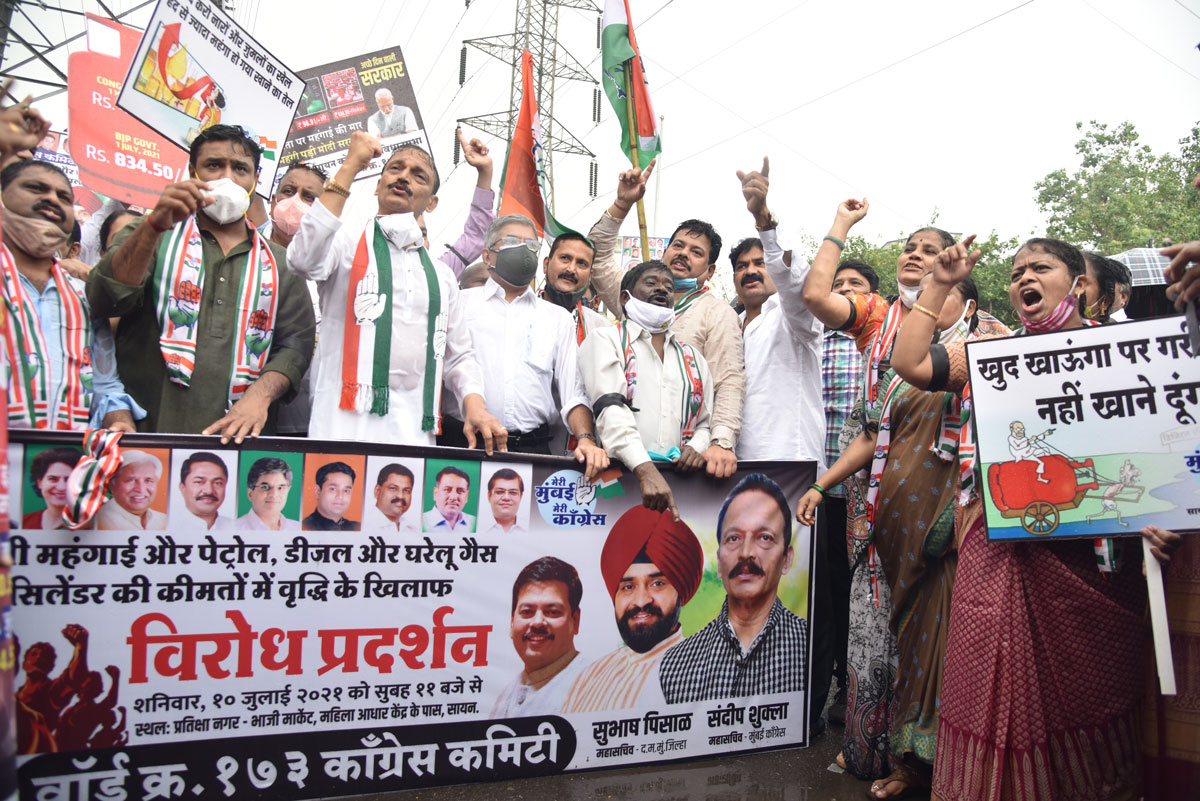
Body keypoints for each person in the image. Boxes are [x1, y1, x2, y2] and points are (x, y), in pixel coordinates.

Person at [889, 235, 1148, 801]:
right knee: (987, 678)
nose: (1024, 278)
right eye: (1016, 272)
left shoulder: (1122, 352)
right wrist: (940, 282)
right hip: (999, 550)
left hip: (1095, 560)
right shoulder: (992, 355)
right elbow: (907, 362)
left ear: (1078, 284)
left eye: (1040, 268)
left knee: (1089, 693)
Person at [87, 124, 316, 441]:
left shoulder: (280, 263)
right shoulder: (152, 234)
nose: (227, 178)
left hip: (242, 440)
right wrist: (153, 226)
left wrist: (259, 397)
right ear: (192, 172)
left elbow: (295, 346)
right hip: (147, 434)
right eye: (214, 165)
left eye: (240, 169)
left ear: (255, 179)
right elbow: (104, 300)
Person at [285, 130, 505, 452]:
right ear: (378, 185)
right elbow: (302, 258)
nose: (404, 177)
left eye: (418, 175)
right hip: (341, 426)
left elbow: (459, 354)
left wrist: (476, 406)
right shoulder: (345, 244)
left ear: (431, 203)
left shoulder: (442, 276)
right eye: (395, 168)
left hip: (413, 433)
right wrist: (350, 165)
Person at [588, 163, 744, 479]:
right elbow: (597, 257)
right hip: (620, 458)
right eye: (678, 246)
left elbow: (728, 381)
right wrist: (622, 204)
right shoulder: (636, 297)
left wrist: (720, 442)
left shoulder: (717, 313)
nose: (683, 254)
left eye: (696, 252)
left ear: (710, 271)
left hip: (683, 461)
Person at [443, 214, 607, 476]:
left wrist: (586, 438)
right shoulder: (459, 304)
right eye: (512, 241)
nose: (523, 250)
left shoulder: (557, 319)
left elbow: (573, 392)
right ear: (487, 256)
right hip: (464, 445)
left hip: (533, 451)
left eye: (531, 244)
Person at [1, 160, 142, 432]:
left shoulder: (84, 298)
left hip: (65, 454)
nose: (53, 200)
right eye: (35, 188)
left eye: (64, 197)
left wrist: (120, 420)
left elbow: (104, 385)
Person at [578, 261, 713, 520]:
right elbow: (610, 409)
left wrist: (696, 447)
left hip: (680, 488)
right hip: (617, 484)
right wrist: (646, 470)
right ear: (625, 297)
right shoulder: (605, 340)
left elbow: (705, 424)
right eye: (651, 283)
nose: (661, 290)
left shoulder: (694, 359)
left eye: (668, 287)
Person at [659, 474, 808, 703]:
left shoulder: (807, 647)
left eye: (765, 537)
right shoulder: (676, 665)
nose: (746, 553)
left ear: (787, 559)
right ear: (719, 562)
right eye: (734, 538)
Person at [562, 506, 703, 713]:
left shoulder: (704, 675)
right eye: (628, 587)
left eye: (657, 584)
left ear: (680, 590)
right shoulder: (588, 679)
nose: (641, 601)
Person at [731, 158, 824, 464]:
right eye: (742, 266)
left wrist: (763, 219)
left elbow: (794, 281)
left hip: (789, 462)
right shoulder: (731, 324)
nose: (750, 271)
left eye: (760, 263)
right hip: (731, 462)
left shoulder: (795, 316)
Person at [818, 259, 877, 726]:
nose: (844, 290)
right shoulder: (813, 338)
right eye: (837, 284)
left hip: (866, 488)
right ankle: (833, 681)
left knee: (860, 593)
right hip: (817, 487)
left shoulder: (881, 341)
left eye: (855, 284)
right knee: (828, 591)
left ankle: (856, 688)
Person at [492, 556, 589, 717]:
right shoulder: (505, 696)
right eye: (527, 612)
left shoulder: (595, 687)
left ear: (575, 620)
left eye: (552, 612)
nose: (537, 622)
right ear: (512, 621)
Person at [539, 231, 610, 342]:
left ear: (590, 276)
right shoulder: (516, 315)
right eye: (565, 258)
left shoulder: (602, 331)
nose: (571, 269)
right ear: (546, 264)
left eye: (582, 263)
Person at [96, 450, 165, 531]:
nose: (141, 489)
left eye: (148, 481)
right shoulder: (98, 520)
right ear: (112, 484)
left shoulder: (164, 520)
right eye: (131, 480)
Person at [23, 447, 82, 530]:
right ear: (40, 483)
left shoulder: (93, 526)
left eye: (69, 479)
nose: (61, 487)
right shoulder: (23, 522)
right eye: (53, 479)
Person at [237, 456, 298, 531]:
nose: (274, 494)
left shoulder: (298, 529)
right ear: (250, 493)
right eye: (265, 487)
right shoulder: (234, 529)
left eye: (280, 488)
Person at [176, 451, 233, 531]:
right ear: (182, 488)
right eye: (199, 482)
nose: (209, 491)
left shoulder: (236, 527)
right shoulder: (167, 525)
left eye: (217, 483)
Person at [302, 461, 360, 531]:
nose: (340, 496)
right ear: (318, 491)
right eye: (333, 489)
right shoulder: (304, 527)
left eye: (346, 491)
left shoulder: (357, 528)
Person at [422, 465, 475, 533]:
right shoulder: (421, 522)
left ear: (467, 496)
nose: (453, 497)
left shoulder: (474, 522)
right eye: (447, 490)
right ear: (435, 493)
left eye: (460, 491)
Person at [370, 463, 418, 533]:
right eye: (393, 488)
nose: (400, 496)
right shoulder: (365, 526)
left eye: (406, 490)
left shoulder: (414, 531)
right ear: (377, 490)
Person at [483, 468, 525, 534]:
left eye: (513, 492)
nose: (506, 498)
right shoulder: (476, 527)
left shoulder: (533, 528)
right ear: (489, 495)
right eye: (500, 492)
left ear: (521, 497)